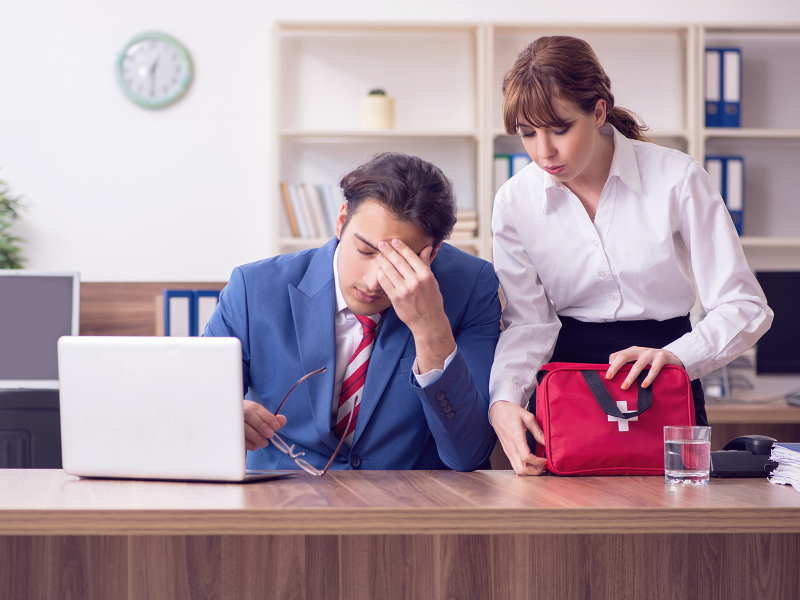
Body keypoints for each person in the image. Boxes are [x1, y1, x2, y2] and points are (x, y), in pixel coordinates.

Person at [489, 36, 773, 476]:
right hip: (568, 386)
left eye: (560, 128)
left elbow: (746, 307)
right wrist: (504, 400)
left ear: (598, 111)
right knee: (565, 534)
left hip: (666, 372)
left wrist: (680, 356)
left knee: (677, 530)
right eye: (527, 133)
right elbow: (528, 324)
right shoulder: (514, 202)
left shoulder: (676, 178)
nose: (543, 151)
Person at [205, 152, 501, 472]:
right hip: (281, 505)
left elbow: (468, 454)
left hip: (410, 509)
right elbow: (193, 401)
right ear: (342, 221)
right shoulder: (253, 290)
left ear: (433, 253)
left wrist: (430, 329)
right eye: (365, 251)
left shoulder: (472, 288)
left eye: (399, 264)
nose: (373, 283)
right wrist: (222, 415)